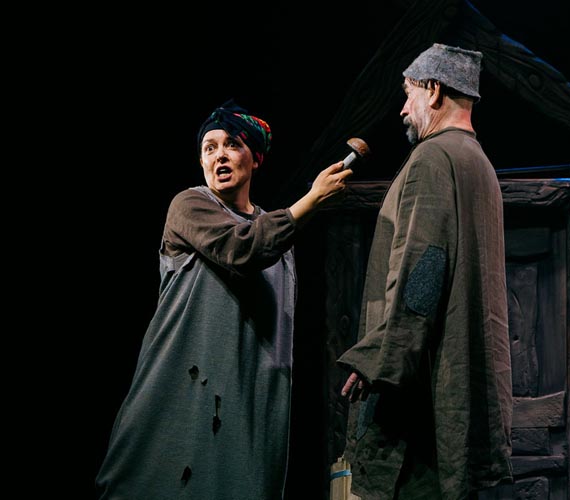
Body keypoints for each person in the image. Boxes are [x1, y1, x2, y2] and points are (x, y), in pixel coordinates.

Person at [95, 99, 353, 499]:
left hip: (246, 394)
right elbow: (242, 249)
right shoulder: (190, 206)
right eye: (209, 148)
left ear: (255, 158)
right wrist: (311, 200)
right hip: (184, 386)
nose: (219, 155)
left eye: (232, 144)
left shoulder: (278, 238)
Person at [337, 43, 513, 499]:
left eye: (408, 93)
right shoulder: (479, 163)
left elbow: (423, 271)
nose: (402, 109)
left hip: (422, 393)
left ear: (433, 90)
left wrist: (377, 358)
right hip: (459, 383)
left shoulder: (432, 159)